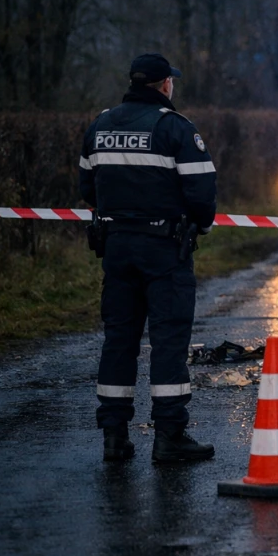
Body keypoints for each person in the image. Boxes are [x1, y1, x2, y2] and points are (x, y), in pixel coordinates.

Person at [80, 54, 218, 462]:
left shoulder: (100, 126)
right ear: (163, 85)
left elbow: (88, 187)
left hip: (117, 248)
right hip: (163, 250)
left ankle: (114, 437)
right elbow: (201, 194)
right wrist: (198, 226)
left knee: (119, 340)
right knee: (168, 340)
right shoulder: (173, 128)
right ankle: (170, 436)